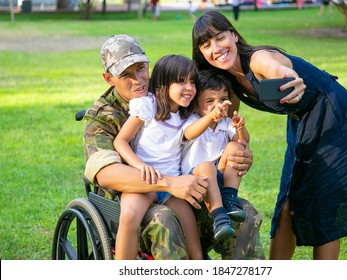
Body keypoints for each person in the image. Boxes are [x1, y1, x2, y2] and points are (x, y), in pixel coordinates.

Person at [192, 11, 347, 260]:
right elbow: (229, 129)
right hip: (302, 123)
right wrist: (240, 150)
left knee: (324, 209)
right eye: (207, 45)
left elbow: (277, 69)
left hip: (334, 118)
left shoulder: (256, 60)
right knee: (287, 206)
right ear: (201, 53)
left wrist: (290, 79)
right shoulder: (227, 82)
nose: (217, 48)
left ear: (233, 34)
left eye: (220, 37)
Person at [83, 34, 265, 260]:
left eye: (141, 69)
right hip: (137, 199)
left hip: (186, 186)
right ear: (109, 78)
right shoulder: (103, 118)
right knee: (166, 218)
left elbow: (216, 113)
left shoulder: (172, 94)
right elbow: (106, 173)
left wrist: (239, 153)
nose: (138, 79)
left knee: (242, 212)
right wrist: (170, 183)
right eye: (125, 75)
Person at [113, 55, 236, 259]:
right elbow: (121, 141)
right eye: (181, 81)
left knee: (190, 234)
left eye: (192, 82)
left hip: (173, 185)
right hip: (144, 181)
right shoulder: (148, 106)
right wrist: (139, 165)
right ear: (163, 83)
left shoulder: (187, 116)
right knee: (129, 216)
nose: (188, 87)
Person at [182, 69, 250, 223]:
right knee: (206, 167)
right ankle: (218, 214)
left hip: (220, 178)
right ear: (196, 106)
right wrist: (210, 117)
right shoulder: (192, 120)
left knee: (235, 148)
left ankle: (230, 198)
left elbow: (243, 143)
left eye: (222, 99)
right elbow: (190, 133)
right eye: (210, 101)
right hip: (196, 180)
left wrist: (240, 128)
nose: (218, 105)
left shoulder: (226, 124)